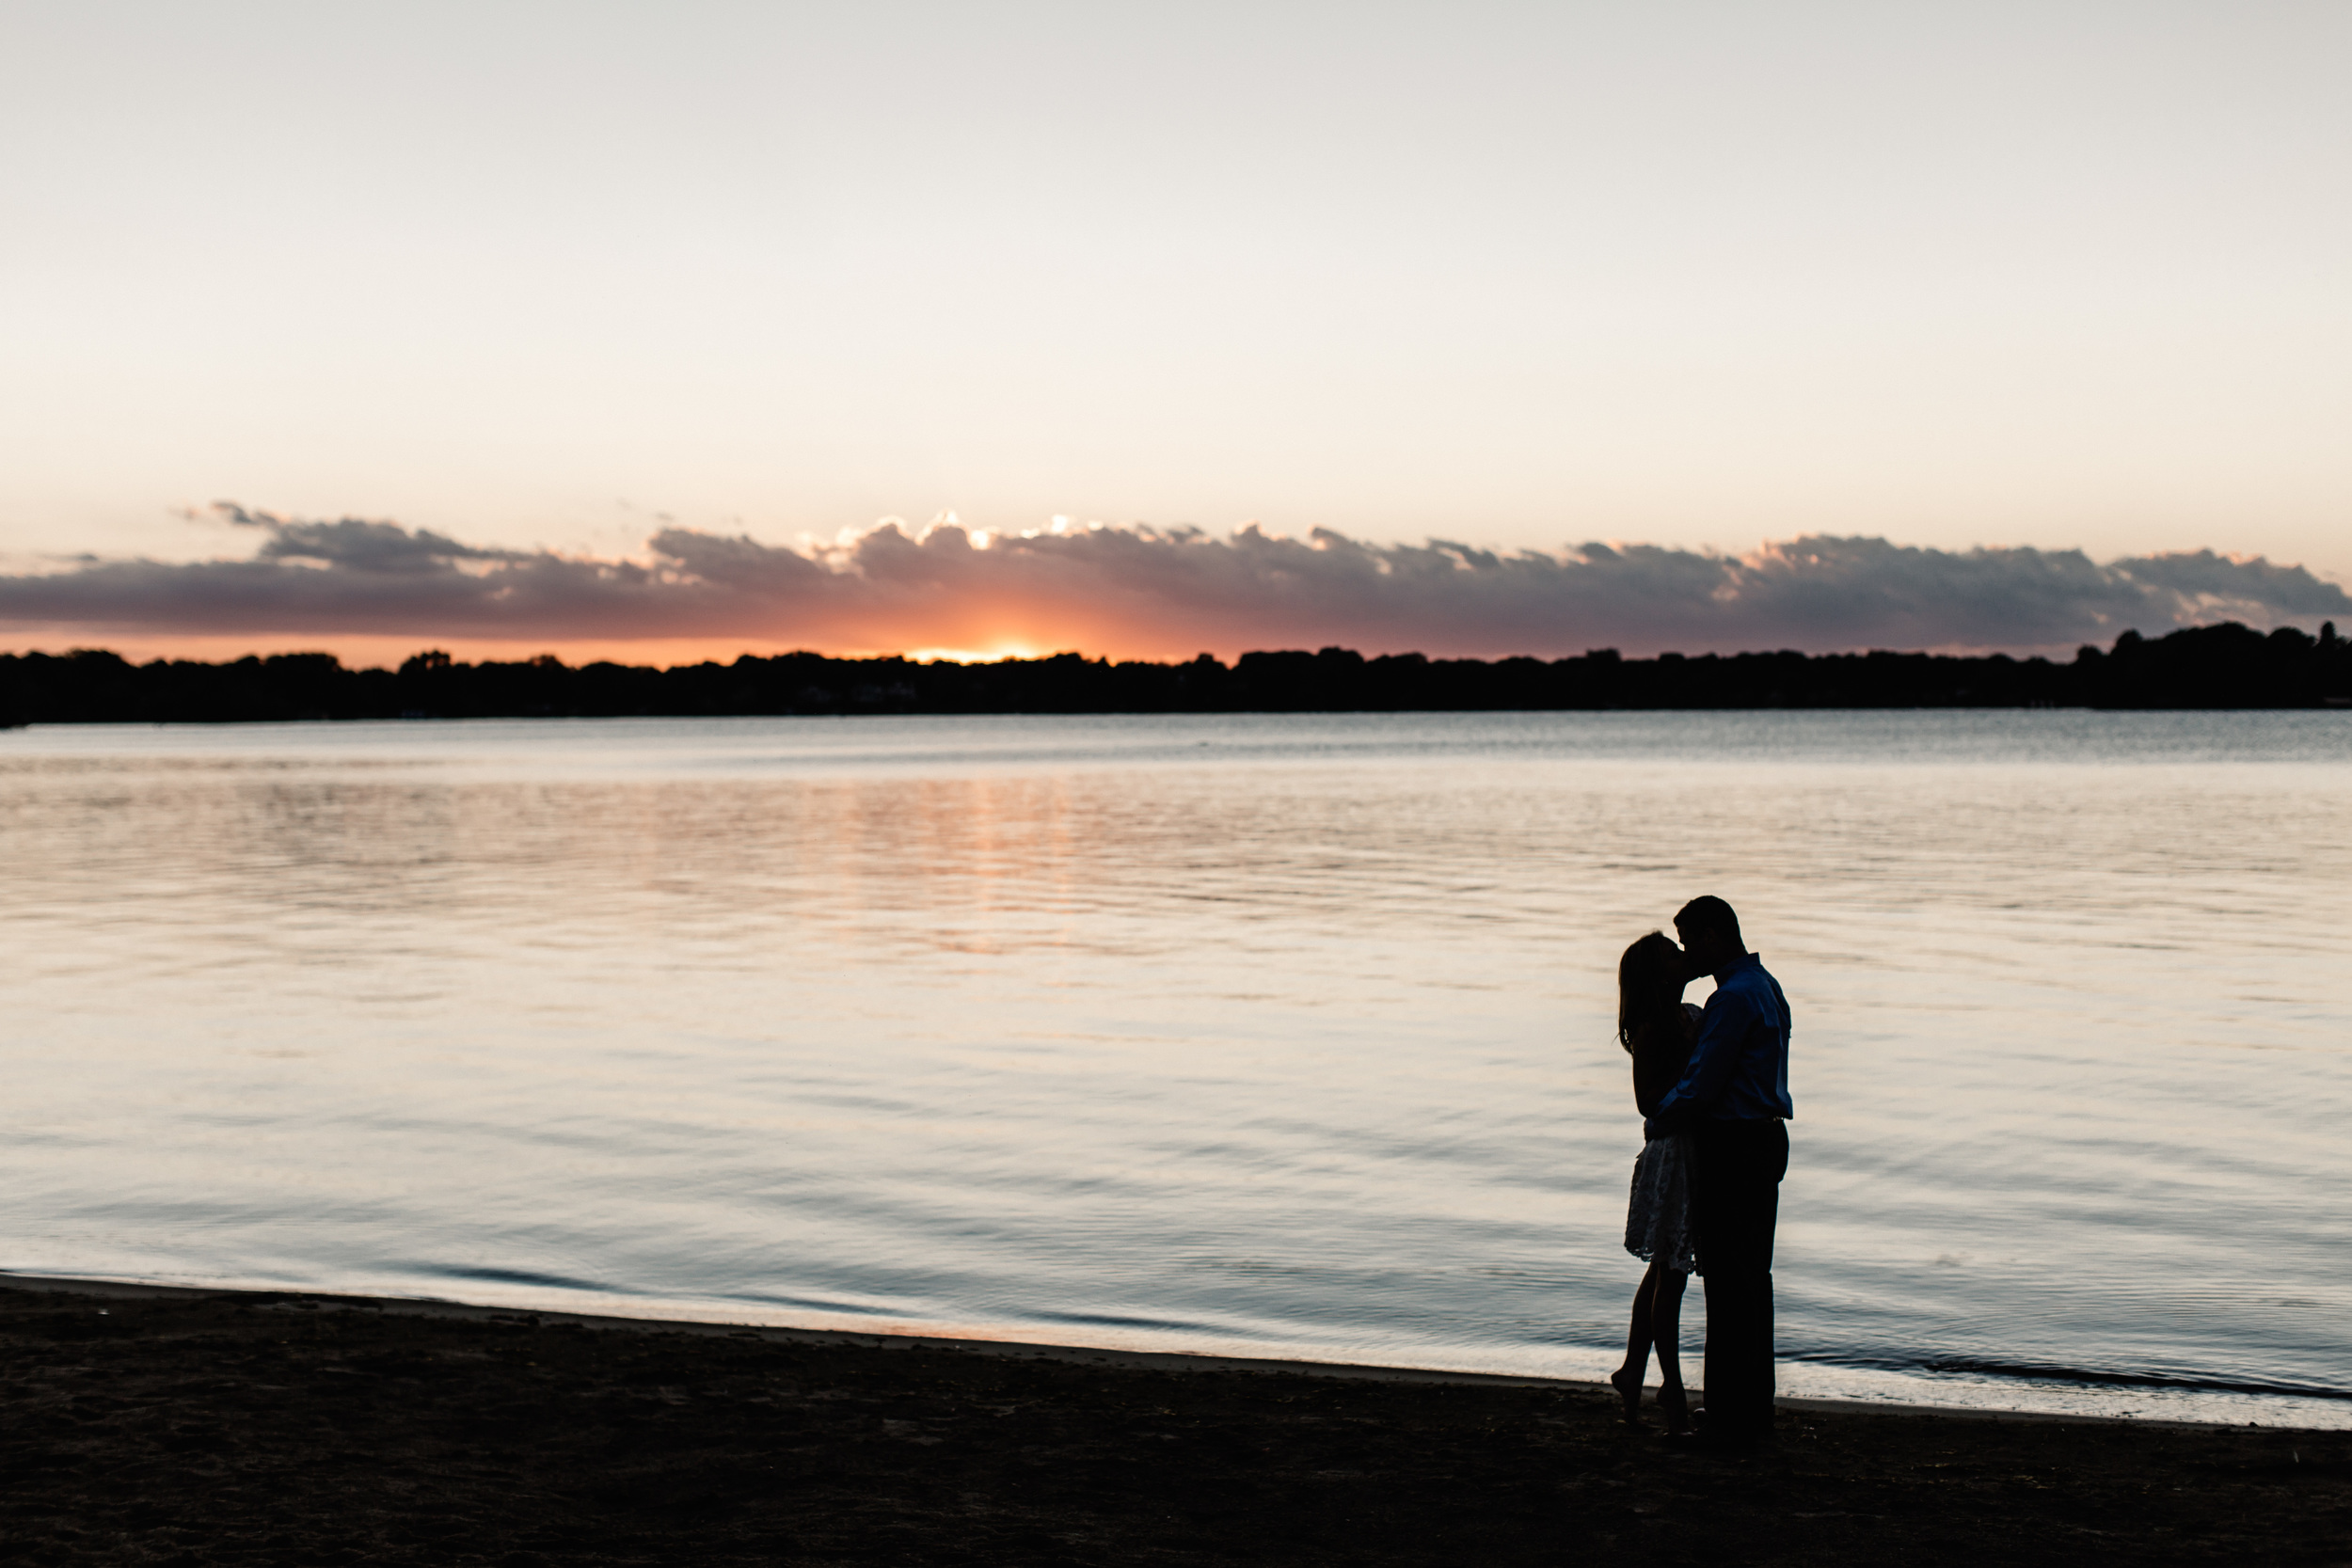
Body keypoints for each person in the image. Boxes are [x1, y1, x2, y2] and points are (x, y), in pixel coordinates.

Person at [1644, 895, 1792, 1447]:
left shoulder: (1731, 998)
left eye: (1688, 943)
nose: (1686, 955)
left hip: (1735, 1144)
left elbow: (1704, 1082)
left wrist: (1659, 1118)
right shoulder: (1766, 986)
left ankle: (1729, 1418)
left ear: (1711, 936)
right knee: (1753, 1282)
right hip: (1765, 1137)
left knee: (1728, 1285)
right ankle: (1752, 1410)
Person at [1610, 930, 1701, 1433]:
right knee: (1673, 1276)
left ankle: (1632, 1371)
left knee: (1665, 1270)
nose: (1683, 956)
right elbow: (1649, 1103)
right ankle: (1672, 1387)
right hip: (1673, 1155)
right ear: (1657, 974)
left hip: (1683, 1149)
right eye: (1672, 953)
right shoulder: (1655, 1028)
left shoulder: (1686, 1017)